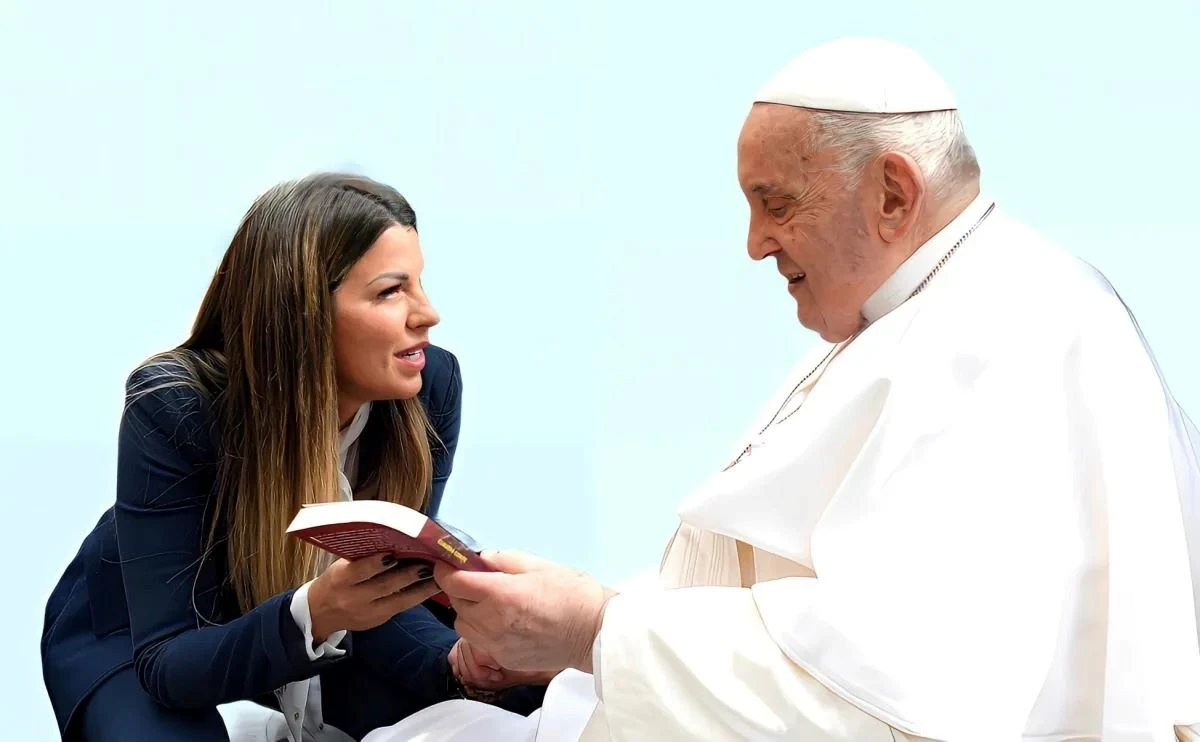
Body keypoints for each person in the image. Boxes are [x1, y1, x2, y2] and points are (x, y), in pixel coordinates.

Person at [366, 38, 1200, 741]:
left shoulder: (1006, 337)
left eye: (778, 204)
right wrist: (560, 623)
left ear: (894, 193)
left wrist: (595, 630)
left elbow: (896, 683)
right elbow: (779, 586)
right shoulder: (923, 312)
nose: (756, 244)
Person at [40, 172, 546, 742]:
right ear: (301, 313)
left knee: (525, 692)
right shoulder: (174, 405)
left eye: (420, 284)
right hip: (150, 640)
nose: (427, 314)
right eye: (389, 291)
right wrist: (318, 613)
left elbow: (386, 590)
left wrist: (456, 667)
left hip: (328, 622)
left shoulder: (431, 385)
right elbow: (169, 662)